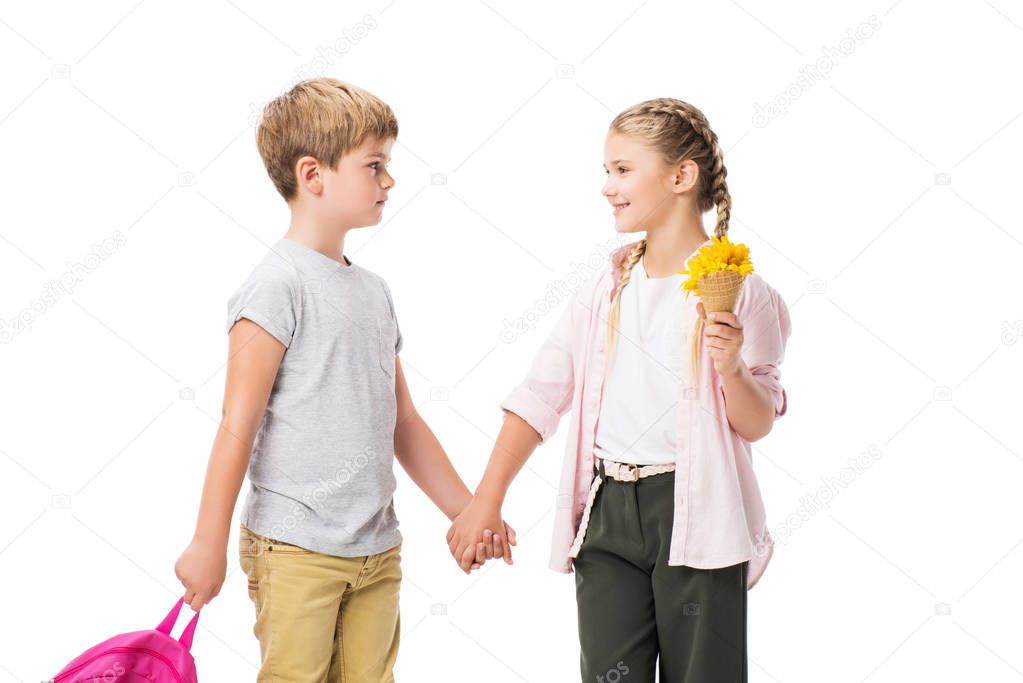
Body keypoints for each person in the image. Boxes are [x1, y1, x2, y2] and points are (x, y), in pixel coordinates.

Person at [173, 77, 514, 682]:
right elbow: (237, 423)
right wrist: (208, 542)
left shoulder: (374, 293)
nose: (389, 181)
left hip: (377, 551)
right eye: (375, 165)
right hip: (295, 550)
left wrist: (467, 510)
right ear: (314, 175)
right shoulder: (276, 287)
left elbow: (402, 421)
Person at [446, 98, 792, 682]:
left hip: (697, 510)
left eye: (623, 169)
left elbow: (757, 422)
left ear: (682, 177)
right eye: (607, 171)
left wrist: (731, 366)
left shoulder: (744, 294)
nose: (608, 186)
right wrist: (487, 498)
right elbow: (539, 396)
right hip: (607, 512)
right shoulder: (602, 291)